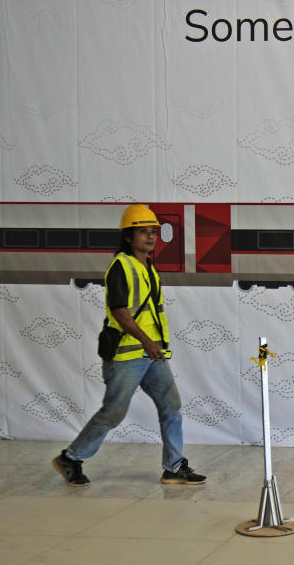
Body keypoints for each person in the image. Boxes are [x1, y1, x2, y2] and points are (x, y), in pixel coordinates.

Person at [52, 204, 207, 487]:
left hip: (152, 354)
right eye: (143, 232)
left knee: (171, 407)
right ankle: (70, 458)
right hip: (128, 355)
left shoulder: (147, 265)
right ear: (128, 237)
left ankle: (174, 466)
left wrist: (155, 345)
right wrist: (148, 342)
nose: (150, 237)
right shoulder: (121, 266)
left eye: (154, 232)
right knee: (114, 412)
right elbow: (120, 312)